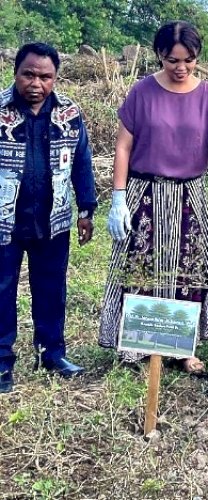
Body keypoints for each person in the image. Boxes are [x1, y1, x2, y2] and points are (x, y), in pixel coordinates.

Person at [99, 21, 208, 372]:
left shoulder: (207, 96)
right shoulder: (141, 92)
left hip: (189, 195)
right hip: (145, 193)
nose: (180, 68)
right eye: (171, 60)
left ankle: (183, 347)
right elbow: (123, 146)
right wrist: (118, 198)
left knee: (188, 269)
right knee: (141, 267)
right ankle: (138, 345)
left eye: (188, 60)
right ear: (159, 55)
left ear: (197, 57)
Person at [0, 43, 97, 393]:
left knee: (52, 290)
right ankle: (1, 364)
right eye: (29, 74)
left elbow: (82, 162)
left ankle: (51, 354)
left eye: (45, 76)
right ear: (16, 73)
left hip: (52, 221)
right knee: (1, 291)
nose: (36, 83)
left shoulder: (69, 113)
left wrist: (86, 209)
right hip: (5, 222)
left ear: (55, 78)